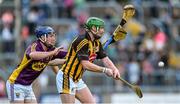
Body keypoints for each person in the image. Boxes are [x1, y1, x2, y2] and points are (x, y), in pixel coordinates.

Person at [56, 17, 120, 103]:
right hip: (67, 77)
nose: (103, 31)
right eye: (100, 28)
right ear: (93, 29)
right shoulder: (82, 41)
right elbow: (85, 64)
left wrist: (114, 69)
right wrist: (104, 70)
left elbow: (106, 59)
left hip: (77, 79)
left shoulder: (97, 43)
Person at [6, 26, 67, 103]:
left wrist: (68, 60)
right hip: (16, 84)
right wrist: (52, 53)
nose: (54, 38)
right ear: (42, 37)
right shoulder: (34, 46)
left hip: (28, 86)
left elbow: (57, 59)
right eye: (50, 36)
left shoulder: (50, 50)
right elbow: (32, 55)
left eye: (54, 35)